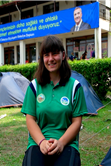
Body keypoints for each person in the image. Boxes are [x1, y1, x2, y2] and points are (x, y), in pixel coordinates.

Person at [21, 35, 88, 166]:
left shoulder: (75, 87)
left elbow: (77, 122)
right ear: (42, 59)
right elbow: (30, 119)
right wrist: (42, 142)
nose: (51, 59)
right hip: (38, 143)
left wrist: (61, 143)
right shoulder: (34, 87)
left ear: (63, 55)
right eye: (46, 55)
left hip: (67, 143)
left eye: (55, 54)